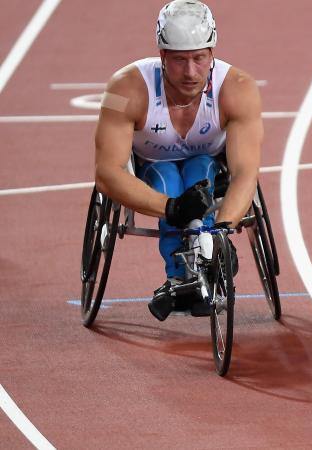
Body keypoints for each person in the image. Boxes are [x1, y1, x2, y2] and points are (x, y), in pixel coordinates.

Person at [94, 0, 263, 321]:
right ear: (161, 57)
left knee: (199, 169)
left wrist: (223, 232)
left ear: (212, 53)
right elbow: (107, 172)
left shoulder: (238, 88)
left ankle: (206, 257)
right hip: (151, 169)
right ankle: (180, 274)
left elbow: (245, 173)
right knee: (168, 176)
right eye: (179, 61)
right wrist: (172, 208)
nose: (190, 72)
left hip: (210, 165)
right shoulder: (124, 87)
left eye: (199, 59)